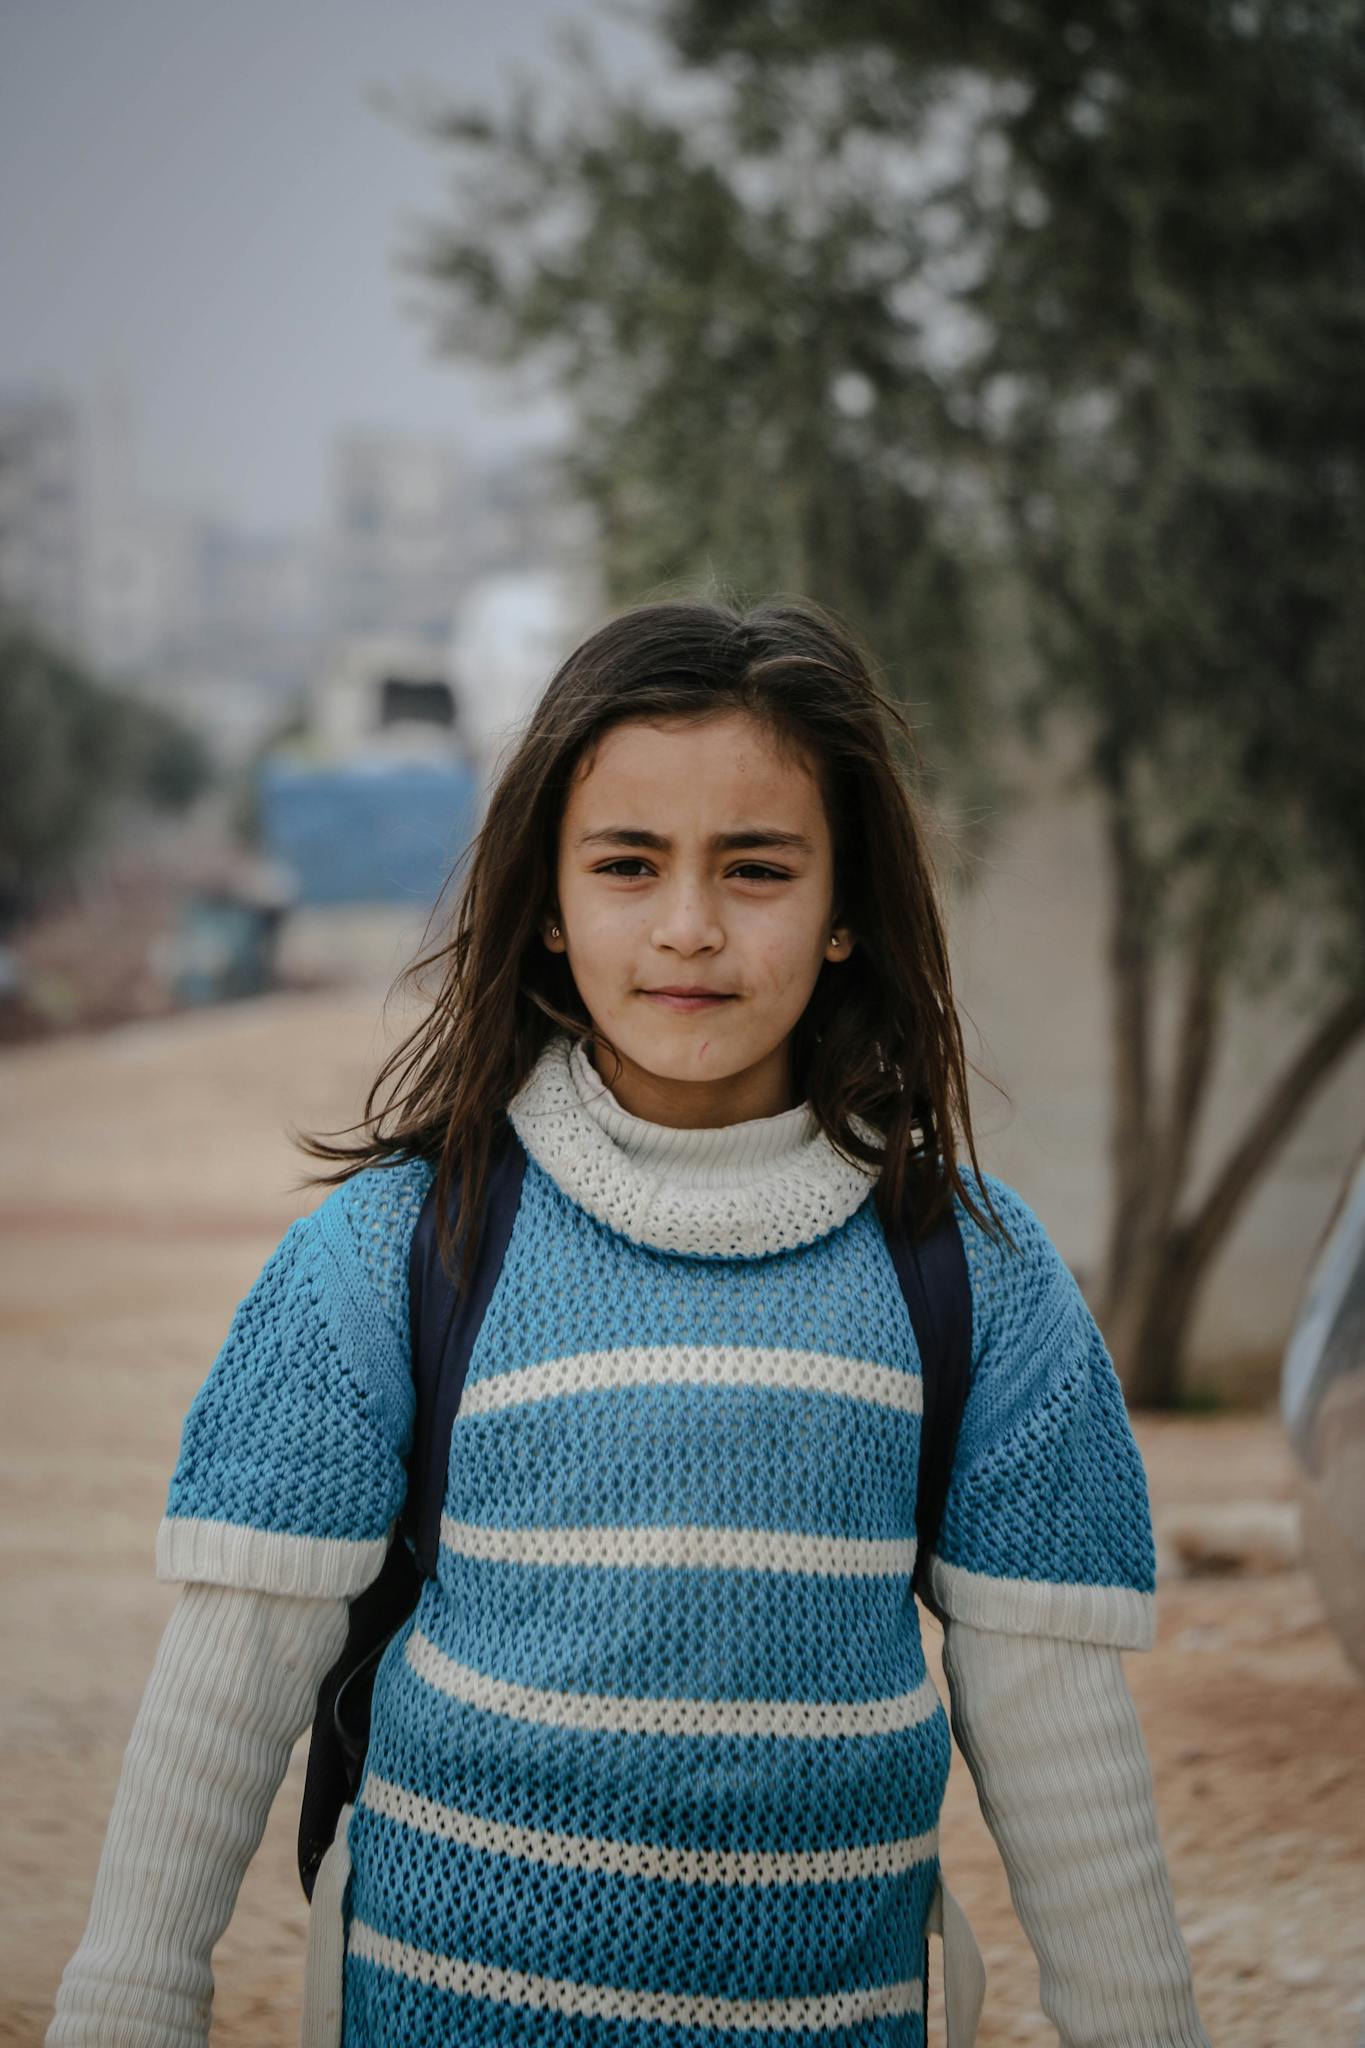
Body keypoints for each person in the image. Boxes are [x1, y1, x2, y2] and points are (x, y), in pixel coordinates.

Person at [47, 596, 1210, 2048]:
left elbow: (1064, 1755)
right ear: (548, 901)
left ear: (846, 907)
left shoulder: (976, 1275)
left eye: (758, 867)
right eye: (626, 863)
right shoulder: (392, 1252)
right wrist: (126, 2008)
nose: (688, 927)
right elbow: (223, 1699)